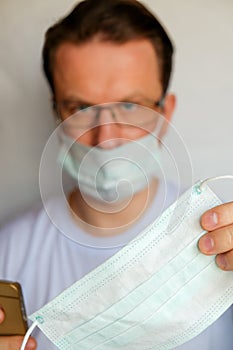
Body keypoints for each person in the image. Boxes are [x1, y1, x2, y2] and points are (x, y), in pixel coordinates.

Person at [0, 0, 232, 349]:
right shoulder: (8, 254)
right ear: (56, 114)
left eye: (129, 106)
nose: (106, 139)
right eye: (80, 108)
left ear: (165, 112)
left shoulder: (222, 242)